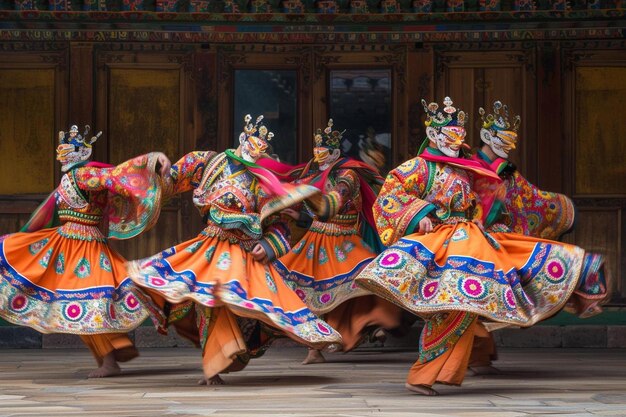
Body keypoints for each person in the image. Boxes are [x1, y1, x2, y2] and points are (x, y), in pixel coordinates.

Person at [354, 97, 609, 396]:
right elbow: (390, 195)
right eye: (450, 135)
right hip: (444, 243)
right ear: (434, 135)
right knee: (459, 304)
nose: (456, 141)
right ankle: (424, 374)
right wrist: (420, 214)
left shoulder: (467, 166)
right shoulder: (420, 168)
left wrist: (495, 213)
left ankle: (581, 282)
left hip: (473, 238)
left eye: (460, 135)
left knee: (482, 295)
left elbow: (490, 200)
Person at [128, 115, 343, 385]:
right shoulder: (209, 162)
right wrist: (157, 162)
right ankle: (213, 365)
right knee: (208, 303)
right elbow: (170, 182)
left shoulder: (265, 181)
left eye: (262, 149)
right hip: (210, 246)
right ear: (242, 139)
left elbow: (280, 225)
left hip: (243, 253)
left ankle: (222, 359)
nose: (257, 152)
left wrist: (268, 245)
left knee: (233, 306)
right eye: (253, 144)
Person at [0, 124, 170, 378]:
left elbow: (117, 177)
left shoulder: (85, 176)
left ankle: (110, 360)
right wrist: (23, 237)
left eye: (70, 150)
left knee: (92, 300)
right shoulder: (69, 179)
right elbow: (45, 213)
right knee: (84, 302)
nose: (64, 154)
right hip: (67, 242)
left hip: (85, 245)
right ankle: (113, 353)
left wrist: (151, 160)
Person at [263, 119, 402, 365]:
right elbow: (311, 210)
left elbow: (335, 200)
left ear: (335, 153)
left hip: (345, 239)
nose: (318, 155)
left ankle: (370, 325)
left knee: (371, 278)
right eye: (316, 151)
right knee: (310, 294)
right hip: (316, 239)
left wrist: (319, 203)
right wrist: (296, 212)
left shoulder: (347, 175)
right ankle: (314, 349)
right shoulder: (312, 175)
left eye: (323, 151)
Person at [467, 100, 578, 374]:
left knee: (488, 296)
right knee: (473, 297)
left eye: (511, 141)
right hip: (469, 238)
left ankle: (477, 357)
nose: (509, 146)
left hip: (500, 239)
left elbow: (529, 199)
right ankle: (472, 358)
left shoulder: (507, 172)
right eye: (504, 139)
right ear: (486, 137)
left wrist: (559, 209)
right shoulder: (466, 166)